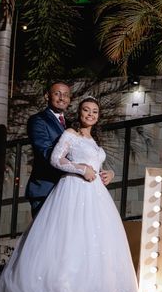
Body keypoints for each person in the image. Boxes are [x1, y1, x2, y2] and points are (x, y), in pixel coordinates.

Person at [0, 97, 142, 292]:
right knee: (69, 239)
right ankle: (62, 287)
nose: (90, 114)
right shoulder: (70, 134)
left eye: (94, 111)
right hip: (73, 190)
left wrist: (109, 173)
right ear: (79, 113)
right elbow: (55, 159)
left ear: (99, 116)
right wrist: (81, 169)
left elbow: (96, 165)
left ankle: (90, 289)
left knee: (93, 240)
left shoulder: (95, 142)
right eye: (86, 110)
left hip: (96, 195)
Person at [26, 81, 114, 218]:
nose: (62, 98)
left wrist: (105, 173)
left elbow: (83, 155)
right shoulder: (38, 120)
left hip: (78, 189)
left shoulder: (73, 124)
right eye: (57, 94)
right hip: (46, 186)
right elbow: (45, 152)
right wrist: (78, 167)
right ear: (47, 96)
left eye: (66, 95)